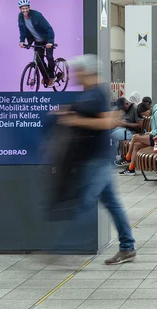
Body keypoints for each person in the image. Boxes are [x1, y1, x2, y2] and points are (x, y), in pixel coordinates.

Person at [54, 55, 136, 265]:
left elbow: (106, 123)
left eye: (78, 72)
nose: (75, 75)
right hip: (94, 158)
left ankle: (61, 248)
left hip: (96, 159)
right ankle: (127, 247)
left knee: (84, 202)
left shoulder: (97, 91)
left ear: (87, 72)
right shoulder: (90, 93)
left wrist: (75, 119)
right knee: (112, 203)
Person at [121, 100, 157, 175]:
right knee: (136, 145)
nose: (145, 116)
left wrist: (151, 133)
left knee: (135, 137)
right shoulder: (155, 113)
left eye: (144, 114)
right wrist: (150, 132)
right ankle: (131, 169)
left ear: (148, 110)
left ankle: (127, 157)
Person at [17, 0, 57, 87]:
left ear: (29, 8)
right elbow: (22, 30)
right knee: (39, 60)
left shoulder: (37, 15)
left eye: (26, 8)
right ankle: (46, 77)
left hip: (47, 39)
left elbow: (49, 28)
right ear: (20, 9)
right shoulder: (20, 17)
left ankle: (52, 77)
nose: (25, 10)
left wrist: (50, 42)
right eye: (23, 8)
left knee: (49, 57)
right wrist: (22, 41)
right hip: (37, 41)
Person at [110, 92, 143, 166]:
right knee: (108, 132)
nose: (123, 110)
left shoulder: (135, 108)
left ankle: (112, 159)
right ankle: (109, 157)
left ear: (127, 104)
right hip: (123, 129)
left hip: (132, 132)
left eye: (123, 108)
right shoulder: (124, 109)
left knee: (113, 135)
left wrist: (125, 124)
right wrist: (118, 121)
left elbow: (140, 125)